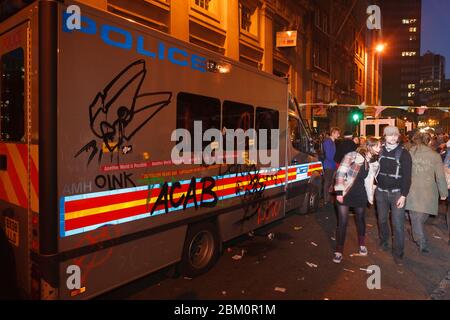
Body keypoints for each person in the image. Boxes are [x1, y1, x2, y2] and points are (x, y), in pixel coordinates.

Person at [332, 137, 381, 263]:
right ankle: (339, 251)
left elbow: (371, 180)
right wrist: (338, 192)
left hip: (360, 194)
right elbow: (340, 173)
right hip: (345, 191)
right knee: (342, 223)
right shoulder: (352, 156)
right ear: (370, 146)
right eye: (378, 146)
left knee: (360, 220)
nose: (380, 148)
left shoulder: (374, 162)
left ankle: (362, 244)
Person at [375, 126, 412, 265]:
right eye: (390, 135)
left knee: (397, 224)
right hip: (380, 192)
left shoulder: (404, 153)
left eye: (395, 135)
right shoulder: (379, 151)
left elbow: (407, 177)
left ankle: (398, 253)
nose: (393, 137)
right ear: (384, 136)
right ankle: (384, 241)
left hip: (397, 193)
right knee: (382, 220)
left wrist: (404, 195)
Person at [405, 132, 447, 253]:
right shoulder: (435, 156)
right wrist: (443, 192)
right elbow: (440, 176)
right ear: (428, 141)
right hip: (428, 192)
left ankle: (416, 232)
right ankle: (421, 241)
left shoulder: (409, 153)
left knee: (417, 217)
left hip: (411, 190)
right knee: (419, 217)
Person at [322, 127, 340, 205]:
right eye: (337, 133)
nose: (339, 135)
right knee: (327, 182)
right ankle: (326, 199)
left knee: (330, 183)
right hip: (329, 165)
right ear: (333, 133)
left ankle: (328, 199)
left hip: (332, 165)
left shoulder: (332, 141)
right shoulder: (328, 141)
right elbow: (329, 155)